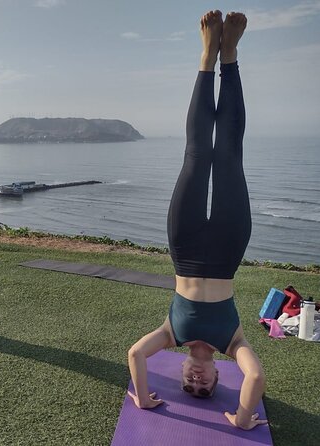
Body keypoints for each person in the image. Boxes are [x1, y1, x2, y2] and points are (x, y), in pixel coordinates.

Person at [126, 11, 267, 430]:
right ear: (219, 376)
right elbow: (256, 377)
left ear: (183, 370)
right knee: (227, 157)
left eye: (190, 387)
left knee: (195, 155)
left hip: (184, 249)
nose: (196, 381)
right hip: (227, 250)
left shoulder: (171, 334)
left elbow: (135, 355)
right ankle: (231, 58)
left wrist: (145, 398)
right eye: (206, 387)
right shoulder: (233, 341)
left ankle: (207, 58)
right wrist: (242, 420)